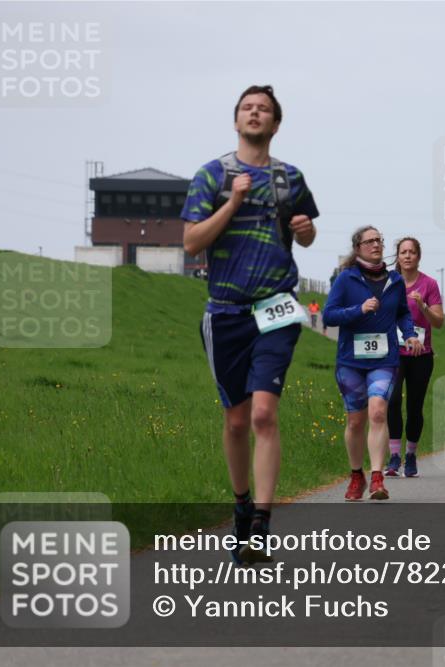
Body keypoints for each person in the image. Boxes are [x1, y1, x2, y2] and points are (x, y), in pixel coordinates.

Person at [182, 84, 319, 564]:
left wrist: (306, 232)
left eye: (263, 109)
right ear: (236, 121)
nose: (255, 113)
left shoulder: (290, 177)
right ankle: (241, 506)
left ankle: (261, 521)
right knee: (236, 419)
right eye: (247, 107)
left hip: (277, 307)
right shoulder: (212, 175)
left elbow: (306, 232)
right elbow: (192, 242)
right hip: (225, 312)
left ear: (276, 124)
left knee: (263, 413)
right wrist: (232, 203)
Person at [323, 227, 422, 500]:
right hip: (350, 361)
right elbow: (329, 316)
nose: (376, 244)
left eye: (379, 240)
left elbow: (402, 312)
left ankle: (378, 478)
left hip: (384, 358)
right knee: (355, 421)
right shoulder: (346, 279)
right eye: (370, 241)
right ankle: (357, 475)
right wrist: (359, 309)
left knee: (378, 411)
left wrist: (411, 334)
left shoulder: (395, 280)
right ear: (358, 248)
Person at [385, 237, 444, 478]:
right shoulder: (388, 282)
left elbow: (439, 322)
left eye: (412, 252)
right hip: (393, 353)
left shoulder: (429, 284)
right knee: (393, 402)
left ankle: (411, 455)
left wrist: (423, 306)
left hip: (421, 355)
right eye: (403, 252)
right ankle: (394, 456)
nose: (407, 256)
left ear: (418, 256)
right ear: (397, 256)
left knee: (414, 406)